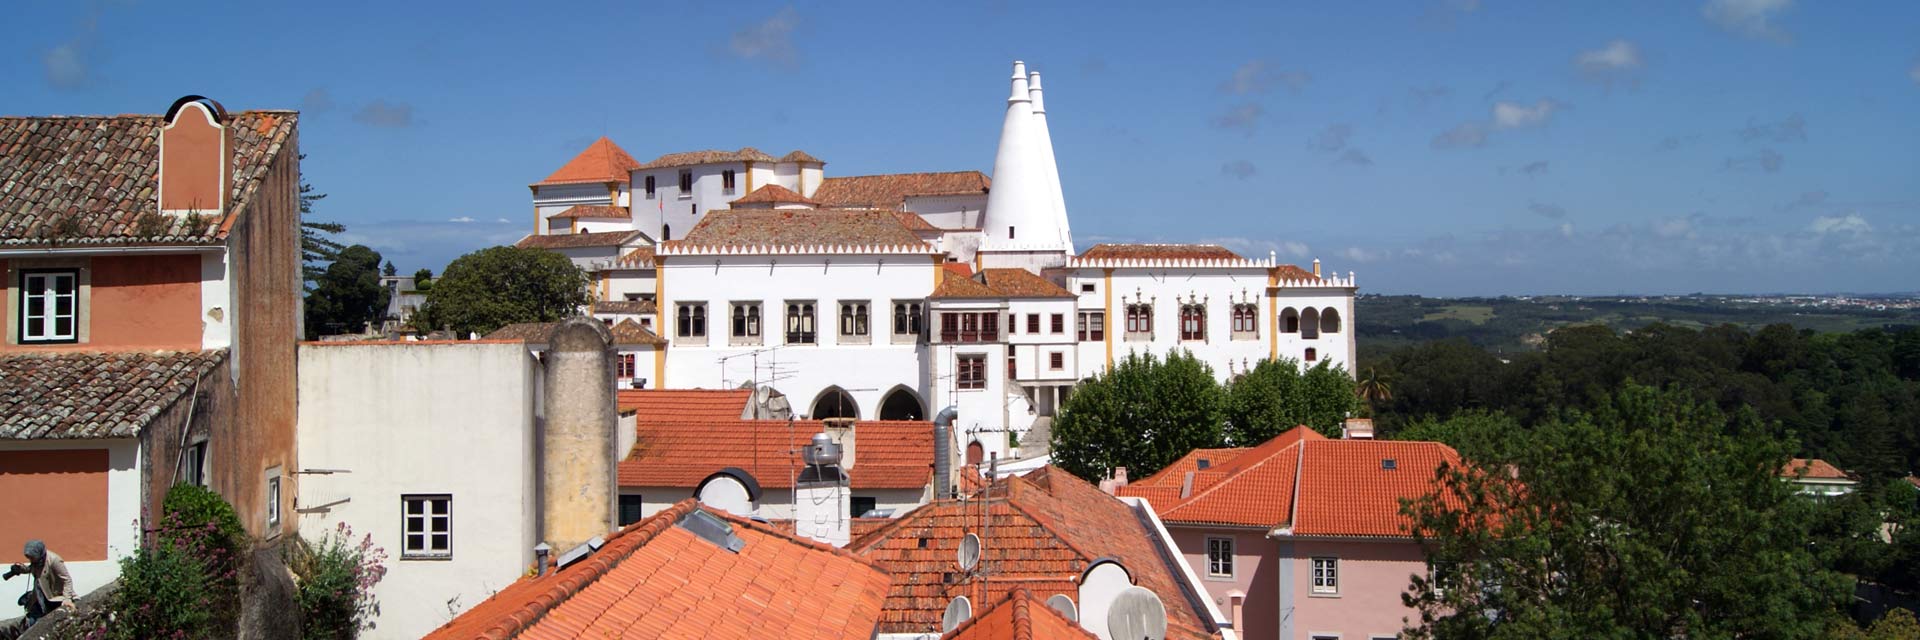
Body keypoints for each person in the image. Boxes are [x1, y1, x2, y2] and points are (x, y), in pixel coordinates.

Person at [4, 540, 74, 629]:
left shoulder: (54, 560)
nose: (30, 560)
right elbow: (31, 569)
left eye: (32, 557)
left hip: (55, 598)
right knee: (32, 621)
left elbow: (67, 580)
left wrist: (67, 598)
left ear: (39, 553)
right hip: (40, 596)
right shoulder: (38, 561)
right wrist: (20, 569)